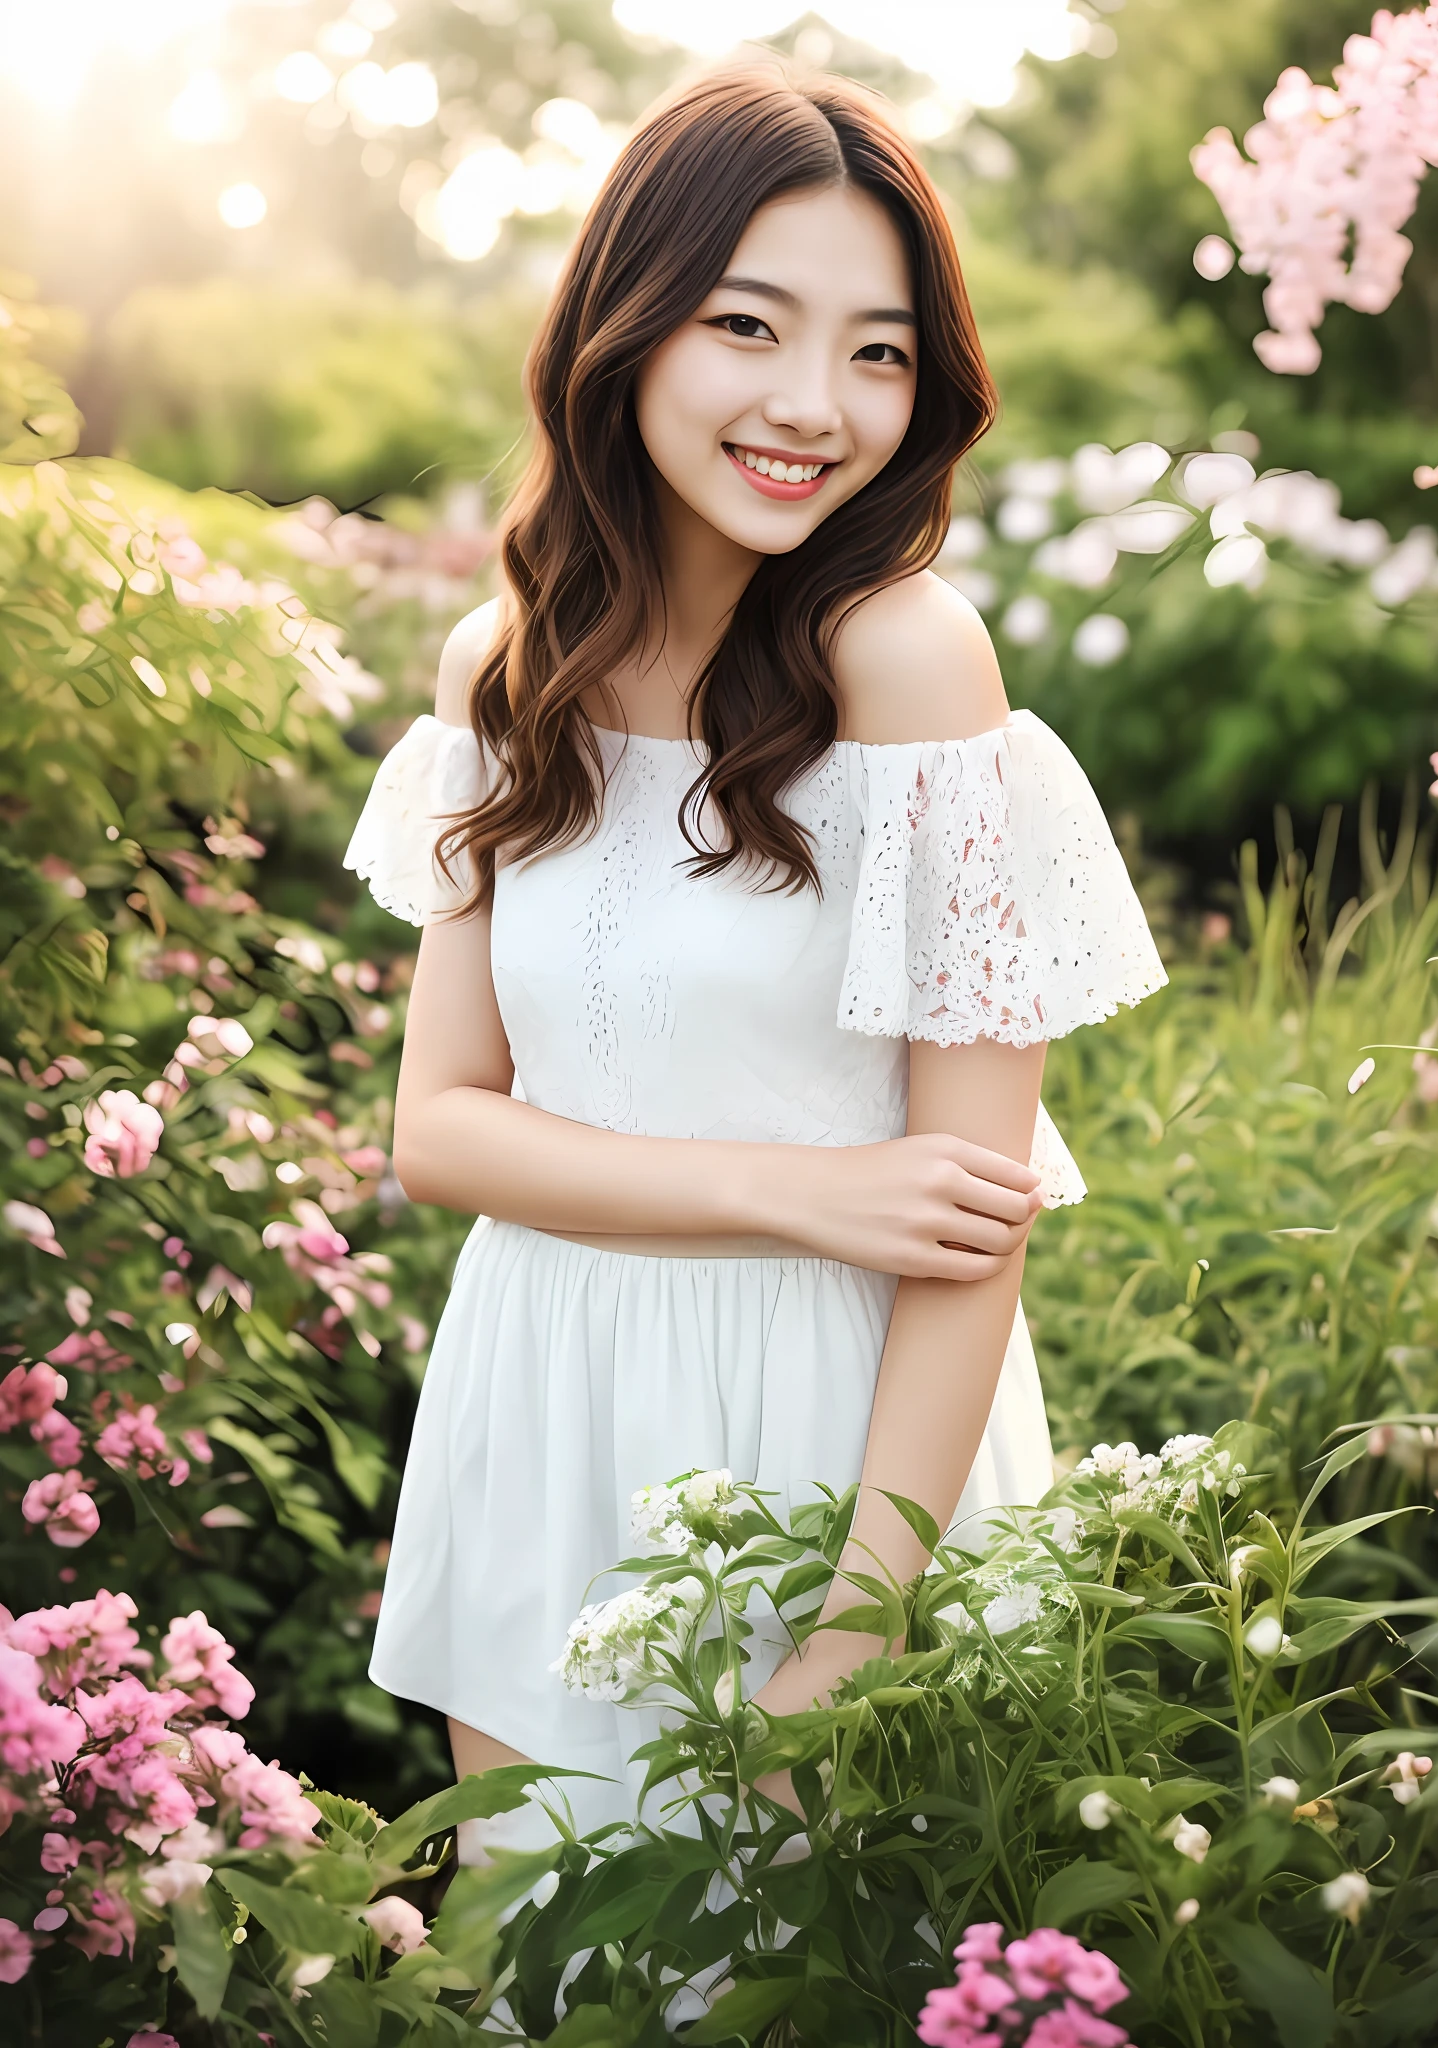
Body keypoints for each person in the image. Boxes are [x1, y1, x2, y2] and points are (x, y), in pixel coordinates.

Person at [344, 66, 1165, 1844]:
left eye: (878, 352)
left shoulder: (912, 666)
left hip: (840, 1442)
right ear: (624, 330)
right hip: (544, 1413)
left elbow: (964, 1227)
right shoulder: (509, 668)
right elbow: (439, 1132)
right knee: (561, 1973)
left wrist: (856, 1636)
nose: (815, 406)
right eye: (748, 327)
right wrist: (810, 1189)